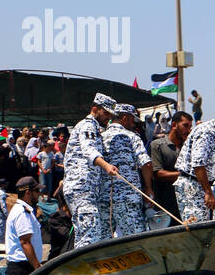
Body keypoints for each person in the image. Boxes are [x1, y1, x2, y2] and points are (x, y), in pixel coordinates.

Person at [63, 93, 120, 248]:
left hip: (89, 189)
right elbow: (89, 150)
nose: (108, 117)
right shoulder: (88, 125)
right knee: (89, 233)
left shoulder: (94, 127)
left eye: (111, 114)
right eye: (106, 113)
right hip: (81, 187)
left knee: (92, 233)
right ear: (95, 109)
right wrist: (106, 166)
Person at [102, 104, 154, 237]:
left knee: (104, 241)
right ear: (124, 118)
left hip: (103, 197)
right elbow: (146, 164)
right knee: (136, 239)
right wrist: (148, 188)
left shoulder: (100, 137)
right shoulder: (132, 136)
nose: (134, 123)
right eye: (132, 120)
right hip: (128, 197)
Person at [150, 110, 192, 228]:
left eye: (190, 126)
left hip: (187, 204)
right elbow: (158, 173)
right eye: (185, 125)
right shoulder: (157, 145)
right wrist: (185, 176)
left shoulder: (189, 147)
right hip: (165, 204)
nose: (188, 130)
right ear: (174, 125)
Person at [4, 177, 43, 275]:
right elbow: (25, 242)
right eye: (37, 191)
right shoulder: (22, 213)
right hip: (23, 269)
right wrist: (37, 267)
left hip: (24, 267)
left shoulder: (23, 210)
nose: (39, 194)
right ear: (28, 193)